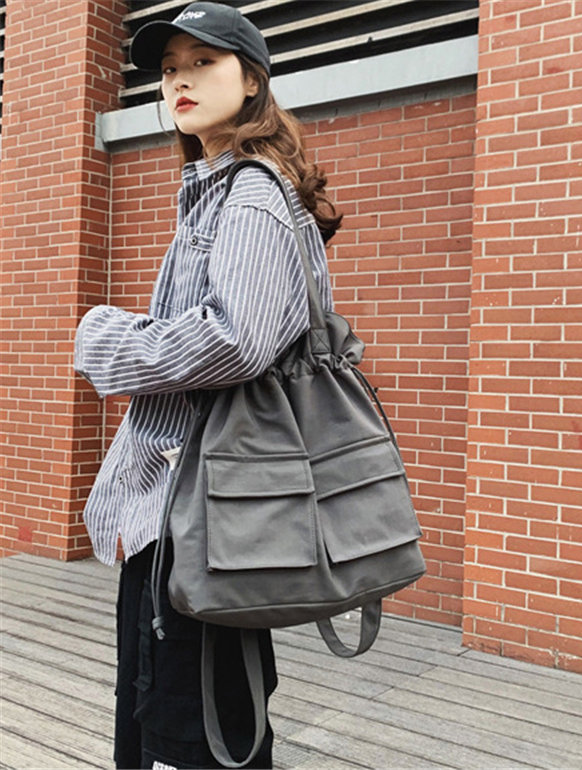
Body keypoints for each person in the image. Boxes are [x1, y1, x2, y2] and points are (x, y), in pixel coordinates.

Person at [74, 3, 341, 768]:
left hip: (199, 519)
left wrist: (105, 339)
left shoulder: (249, 194)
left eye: (203, 62)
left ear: (252, 80)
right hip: (204, 516)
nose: (179, 81)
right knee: (201, 723)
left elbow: (236, 339)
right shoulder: (220, 188)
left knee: (191, 736)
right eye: (168, 69)